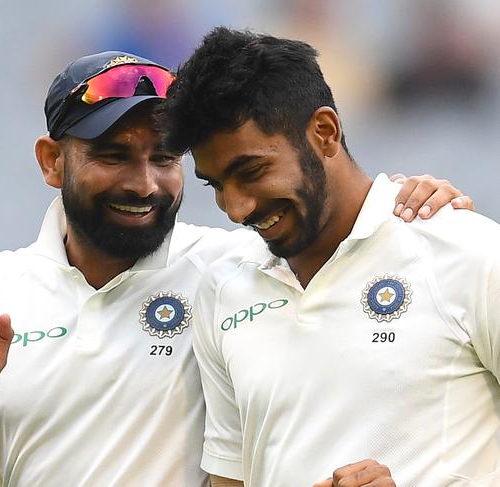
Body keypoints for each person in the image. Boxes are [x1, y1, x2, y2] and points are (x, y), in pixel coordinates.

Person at [0, 51, 472, 487]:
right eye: (114, 157)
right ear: (51, 161)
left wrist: (411, 200)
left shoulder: (239, 268)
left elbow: (346, 229)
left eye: (164, 158)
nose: (143, 184)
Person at [159, 27, 500, 487]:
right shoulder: (224, 289)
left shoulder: (464, 249)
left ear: (324, 132)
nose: (237, 208)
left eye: (252, 171)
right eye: (217, 184)